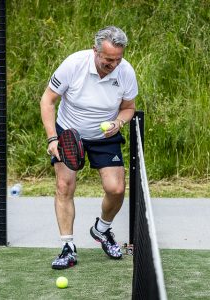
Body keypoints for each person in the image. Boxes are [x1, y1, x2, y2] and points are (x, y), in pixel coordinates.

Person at [40, 26, 138, 270]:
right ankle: (68, 247)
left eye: (118, 59)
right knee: (64, 185)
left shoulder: (125, 71)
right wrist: (53, 138)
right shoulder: (74, 64)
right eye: (108, 59)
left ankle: (102, 230)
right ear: (95, 50)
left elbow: (129, 107)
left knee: (116, 189)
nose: (114, 64)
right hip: (69, 132)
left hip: (105, 135)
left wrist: (118, 122)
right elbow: (48, 100)